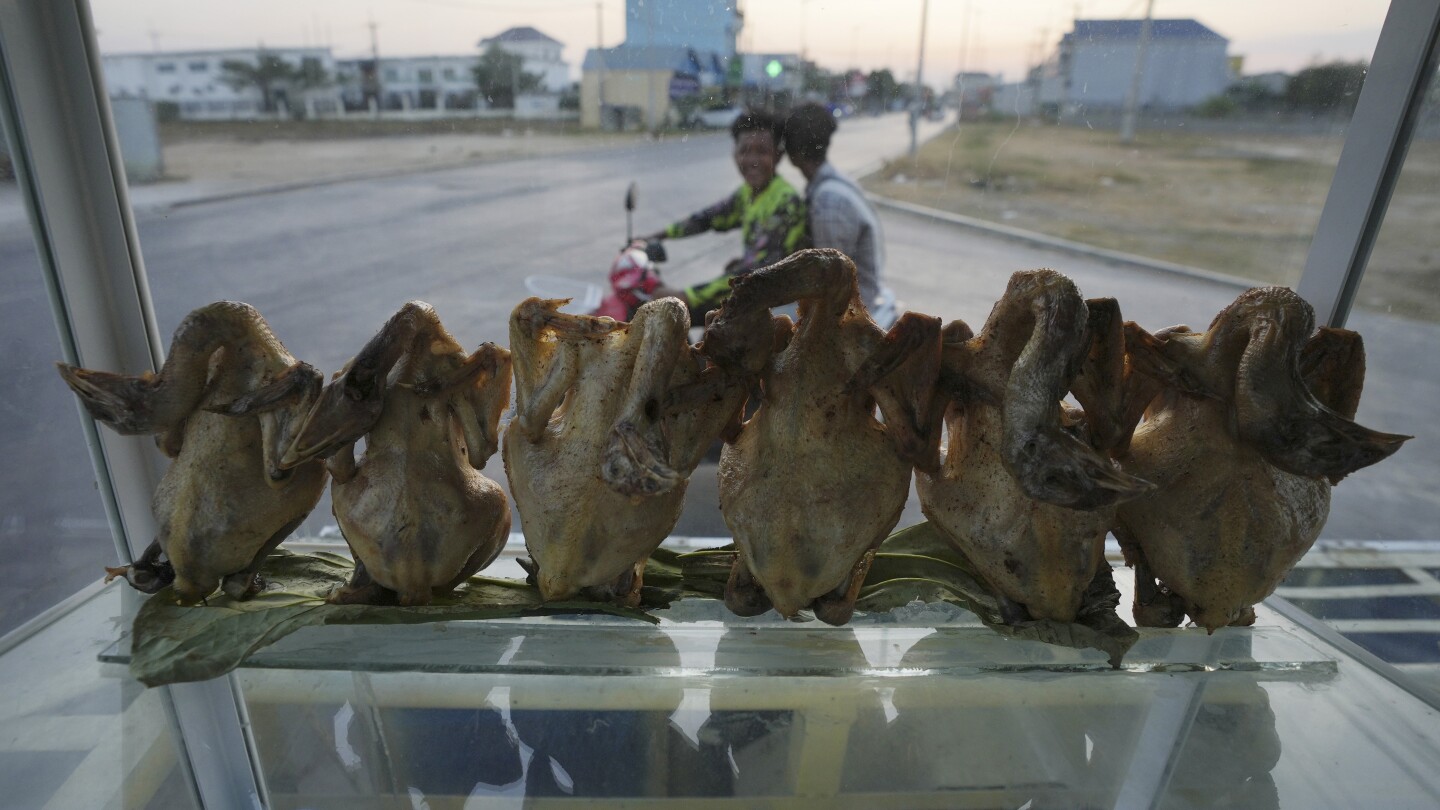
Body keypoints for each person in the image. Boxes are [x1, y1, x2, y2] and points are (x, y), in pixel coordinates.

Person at [644, 109, 808, 321]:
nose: (752, 160)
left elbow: (756, 272)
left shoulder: (785, 202)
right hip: (749, 295)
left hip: (774, 310)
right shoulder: (749, 193)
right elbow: (708, 218)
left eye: (762, 151)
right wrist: (656, 236)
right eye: (744, 151)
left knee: (669, 314)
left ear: (778, 156)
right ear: (734, 153)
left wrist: (687, 296)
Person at [783, 102, 893, 324]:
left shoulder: (828, 201)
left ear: (792, 154)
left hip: (858, 315)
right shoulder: (833, 185)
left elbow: (832, 282)